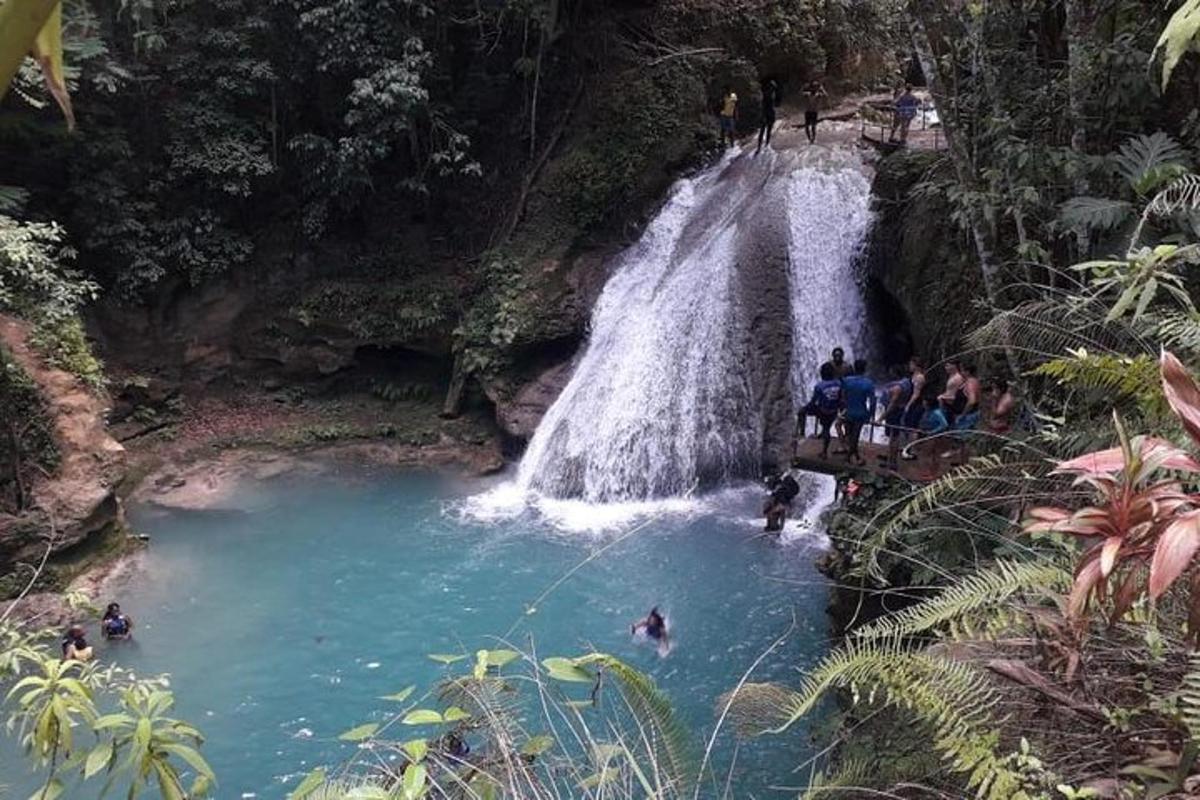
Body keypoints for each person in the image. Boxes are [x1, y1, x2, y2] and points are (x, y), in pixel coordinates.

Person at [800, 363, 842, 458]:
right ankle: (822, 436)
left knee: (801, 412)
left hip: (823, 410)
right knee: (826, 426)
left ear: (822, 373)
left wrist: (806, 407)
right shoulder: (838, 383)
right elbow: (840, 397)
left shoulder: (819, 386)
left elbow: (813, 402)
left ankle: (802, 434)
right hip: (833, 410)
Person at [840, 359, 876, 466]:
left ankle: (856, 457)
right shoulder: (868, 383)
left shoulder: (846, 381)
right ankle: (849, 458)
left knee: (850, 435)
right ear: (865, 369)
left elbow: (842, 396)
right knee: (855, 436)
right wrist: (870, 414)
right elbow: (873, 402)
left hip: (848, 411)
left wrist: (844, 408)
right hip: (860, 412)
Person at [877, 365, 914, 470]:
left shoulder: (898, 388)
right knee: (893, 436)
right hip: (899, 409)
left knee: (894, 437)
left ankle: (892, 463)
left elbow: (892, 404)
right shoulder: (907, 382)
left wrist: (881, 418)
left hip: (894, 412)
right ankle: (890, 458)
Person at [916, 394, 949, 477]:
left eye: (925, 403)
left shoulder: (937, 413)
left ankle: (932, 472)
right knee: (928, 454)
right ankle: (930, 471)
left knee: (931, 454)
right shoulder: (927, 411)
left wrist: (933, 432)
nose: (923, 404)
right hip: (927, 433)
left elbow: (944, 425)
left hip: (934, 436)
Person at [757, 78, 781, 153]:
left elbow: (774, 105)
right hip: (766, 113)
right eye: (772, 87)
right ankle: (760, 146)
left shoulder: (772, 94)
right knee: (763, 130)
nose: (773, 89)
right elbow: (763, 105)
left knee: (768, 130)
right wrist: (763, 115)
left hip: (770, 112)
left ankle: (766, 145)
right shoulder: (766, 95)